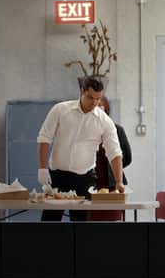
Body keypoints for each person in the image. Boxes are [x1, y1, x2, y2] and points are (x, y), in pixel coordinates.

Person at [36, 77, 124, 222]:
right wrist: (42, 169)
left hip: (84, 179)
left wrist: (119, 181)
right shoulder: (60, 109)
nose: (94, 103)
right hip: (57, 176)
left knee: (80, 226)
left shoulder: (105, 121)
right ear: (82, 91)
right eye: (90, 97)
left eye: (98, 98)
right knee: (49, 222)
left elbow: (114, 152)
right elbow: (44, 138)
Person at [90, 96, 132, 222]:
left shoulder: (117, 129)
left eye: (100, 106)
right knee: (91, 220)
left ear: (106, 109)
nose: (97, 110)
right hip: (91, 183)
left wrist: (114, 168)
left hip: (112, 183)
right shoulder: (86, 129)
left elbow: (128, 157)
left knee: (112, 220)